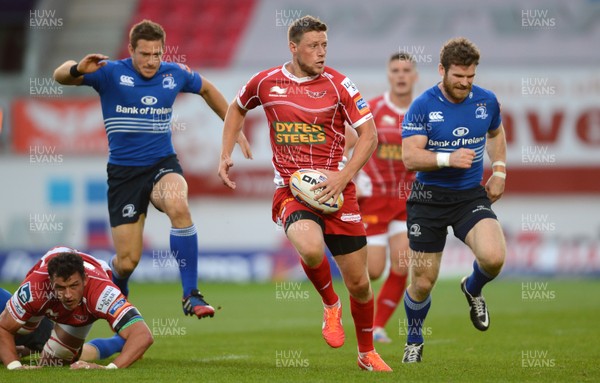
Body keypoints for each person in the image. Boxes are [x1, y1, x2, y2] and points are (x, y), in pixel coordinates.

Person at [218, 15, 391, 372]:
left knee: (360, 283)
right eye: (313, 46)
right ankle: (330, 305)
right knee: (310, 247)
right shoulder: (266, 82)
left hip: (337, 191)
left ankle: (366, 353)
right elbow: (237, 106)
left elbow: (370, 136)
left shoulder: (340, 85)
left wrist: (343, 177)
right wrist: (226, 152)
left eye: (325, 45)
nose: (321, 52)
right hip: (292, 189)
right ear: (293, 47)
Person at [53, 19, 251, 319]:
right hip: (124, 174)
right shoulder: (109, 73)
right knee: (127, 262)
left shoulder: (174, 74)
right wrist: (78, 69)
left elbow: (208, 89)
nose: (152, 61)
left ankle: (191, 295)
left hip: (162, 164)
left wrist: (232, 126)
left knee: (178, 204)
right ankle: (117, 298)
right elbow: (59, 77)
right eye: (145, 54)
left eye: (157, 54)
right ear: (131, 50)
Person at [400, 37, 507, 363]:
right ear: (442, 70)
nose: (464, 83)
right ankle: (415, 339)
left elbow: (495, 134)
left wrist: (499, 170)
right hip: (428, 198)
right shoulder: (423, 105)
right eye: (458, 76)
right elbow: (410, 157)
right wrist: (447, 159)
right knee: (423, 282)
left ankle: (472, 288)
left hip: (468, 196)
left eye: (470, 77)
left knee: (493, 258)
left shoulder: (486, 101)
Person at [353, 52, 418, 343]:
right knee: (374, 270)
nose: (401, 75)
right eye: (396, 70)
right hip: (375, 199)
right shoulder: (374, 109)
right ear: (388, 75)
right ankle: (352, 307)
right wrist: (350, 178)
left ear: (414, 76)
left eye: (406, 70)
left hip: (408, 200)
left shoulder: (424, 110)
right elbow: (347, 144)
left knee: (403, 263)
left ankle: (377, 327)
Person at [0, 246, 153, 369]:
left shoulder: (101, 292)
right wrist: (14, 367)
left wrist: (110, 368)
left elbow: (143, 335)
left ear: (85, 280)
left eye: (74, 286)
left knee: (55, 361)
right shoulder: (35, 287)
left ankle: (118, 342)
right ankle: (32, 348)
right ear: (50, 282)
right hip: (45, 300)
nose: (68, 295)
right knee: (22, 329)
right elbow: (3, 327)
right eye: (60, 287)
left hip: (86, 302)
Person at [1, 287, 127, 364]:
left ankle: (119, 342)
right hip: (8, 324)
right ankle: (24, 349)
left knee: (67, 357)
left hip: (20, 321)